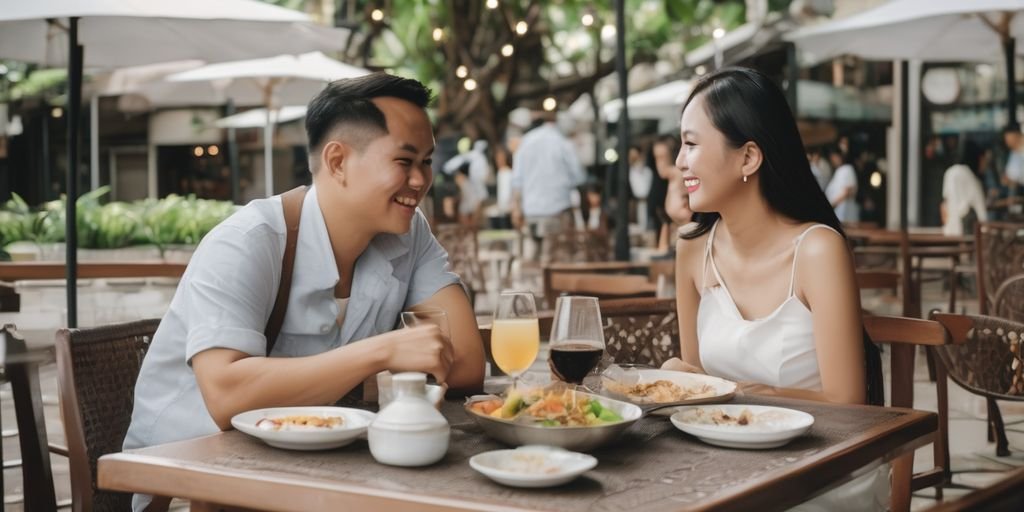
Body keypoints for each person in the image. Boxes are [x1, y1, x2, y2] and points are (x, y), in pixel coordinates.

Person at [124, 73, 485, 511]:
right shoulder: (248, 241)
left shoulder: (409, 234)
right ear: (337, 162)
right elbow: (226, 397)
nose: (420, 180)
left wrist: (360, 380)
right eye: (404, 161)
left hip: (319, 472)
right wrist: (382, 355)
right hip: (194, 485)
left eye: (426, 161)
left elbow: (465, 363)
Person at [662, 67, 885, 510]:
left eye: (690, 144)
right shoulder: (692, 250)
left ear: (748, 157)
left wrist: (737, 392)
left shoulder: (817, 251)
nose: (679, 163)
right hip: (726, 469)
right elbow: (698, 388)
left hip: (819, 475)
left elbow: (848, 402)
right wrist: (678, 379)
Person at [511, 111, 587, 262]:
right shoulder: (563, 143)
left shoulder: (526, 142)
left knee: (534, 259)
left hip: (531, 210)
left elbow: (517, 180)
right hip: (557, 209)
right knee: (557, 261)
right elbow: (579, 177)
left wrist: (517, 208)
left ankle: (536, 285)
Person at [941, 141, 988, 236]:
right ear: (976, 158)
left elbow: (944, 204)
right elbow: (980, 209)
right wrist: (985, 230)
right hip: (967, 235)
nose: (985, 164)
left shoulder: (950, 172)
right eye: (983, 159)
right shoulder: (970, 177)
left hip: (950, 232)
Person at [824, 145, 859, 223]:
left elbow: (847, 192)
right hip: (838, 213)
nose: (833, 159)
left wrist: (830, 206)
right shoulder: (838, 171)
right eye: (832, 157)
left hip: (844, 213)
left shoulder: (847, 169)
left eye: (834, 157)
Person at [628, 144, 654, 229]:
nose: (633, 159)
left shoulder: (648, 171)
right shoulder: (630, 172)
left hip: (648, 202)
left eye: (636, 156)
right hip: (636, 204)